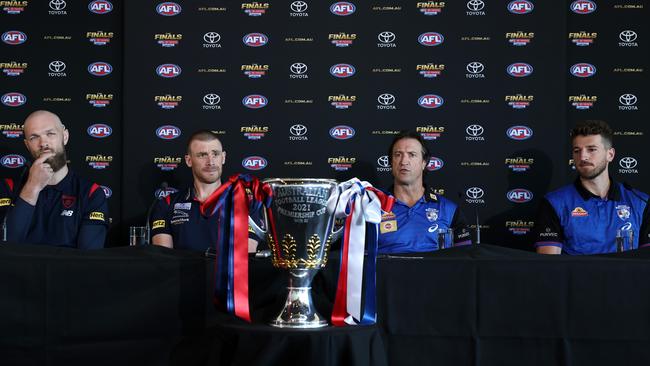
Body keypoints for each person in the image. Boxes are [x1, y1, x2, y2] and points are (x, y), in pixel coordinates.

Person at [533, 120, 650, 254]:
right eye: (577, 150)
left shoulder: (641, 203)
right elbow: (549, 266)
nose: (583, 156)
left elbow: (645, 262)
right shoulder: (554, 203)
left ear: (610, 155)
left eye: (591, 149)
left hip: (626, 275)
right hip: (575, 276)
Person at [5, 110, 109, 248]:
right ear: (27, 145)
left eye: (50, 133)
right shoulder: (8, 188)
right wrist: (32, 188)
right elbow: (6, 246)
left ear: (64, 137)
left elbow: (88, 258)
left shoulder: (91, 193)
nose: (43, 143)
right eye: (34, 137)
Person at [150, 130, 260, 252]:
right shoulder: (167, 203)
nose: (210, 162)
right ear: (188, 160)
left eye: (215, 154)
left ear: (223, 158)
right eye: (202, 155)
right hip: (181, 272)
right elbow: (163, 259)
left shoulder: (246, 202)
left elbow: (246, 257)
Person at [378, 130, 471, 253]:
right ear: (391, 162)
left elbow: (466, 259)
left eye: (412, 154)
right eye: (398, 154)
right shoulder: (373, 206)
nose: (404, 161)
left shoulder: (449, 210)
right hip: (386, 272)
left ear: (424, 163)